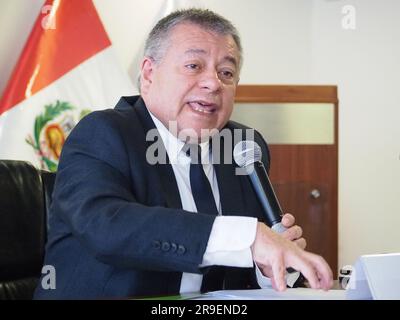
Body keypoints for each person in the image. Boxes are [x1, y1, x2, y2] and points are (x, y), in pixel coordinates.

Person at [34, 8, 332, 299]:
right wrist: (249, 237)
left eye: (226, 72)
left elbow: (238, 273)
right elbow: (107, 226)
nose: (213, 83)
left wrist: (267, 267)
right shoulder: (104, 133)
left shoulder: (242, 146)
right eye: (194, 66)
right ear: (149, 74)